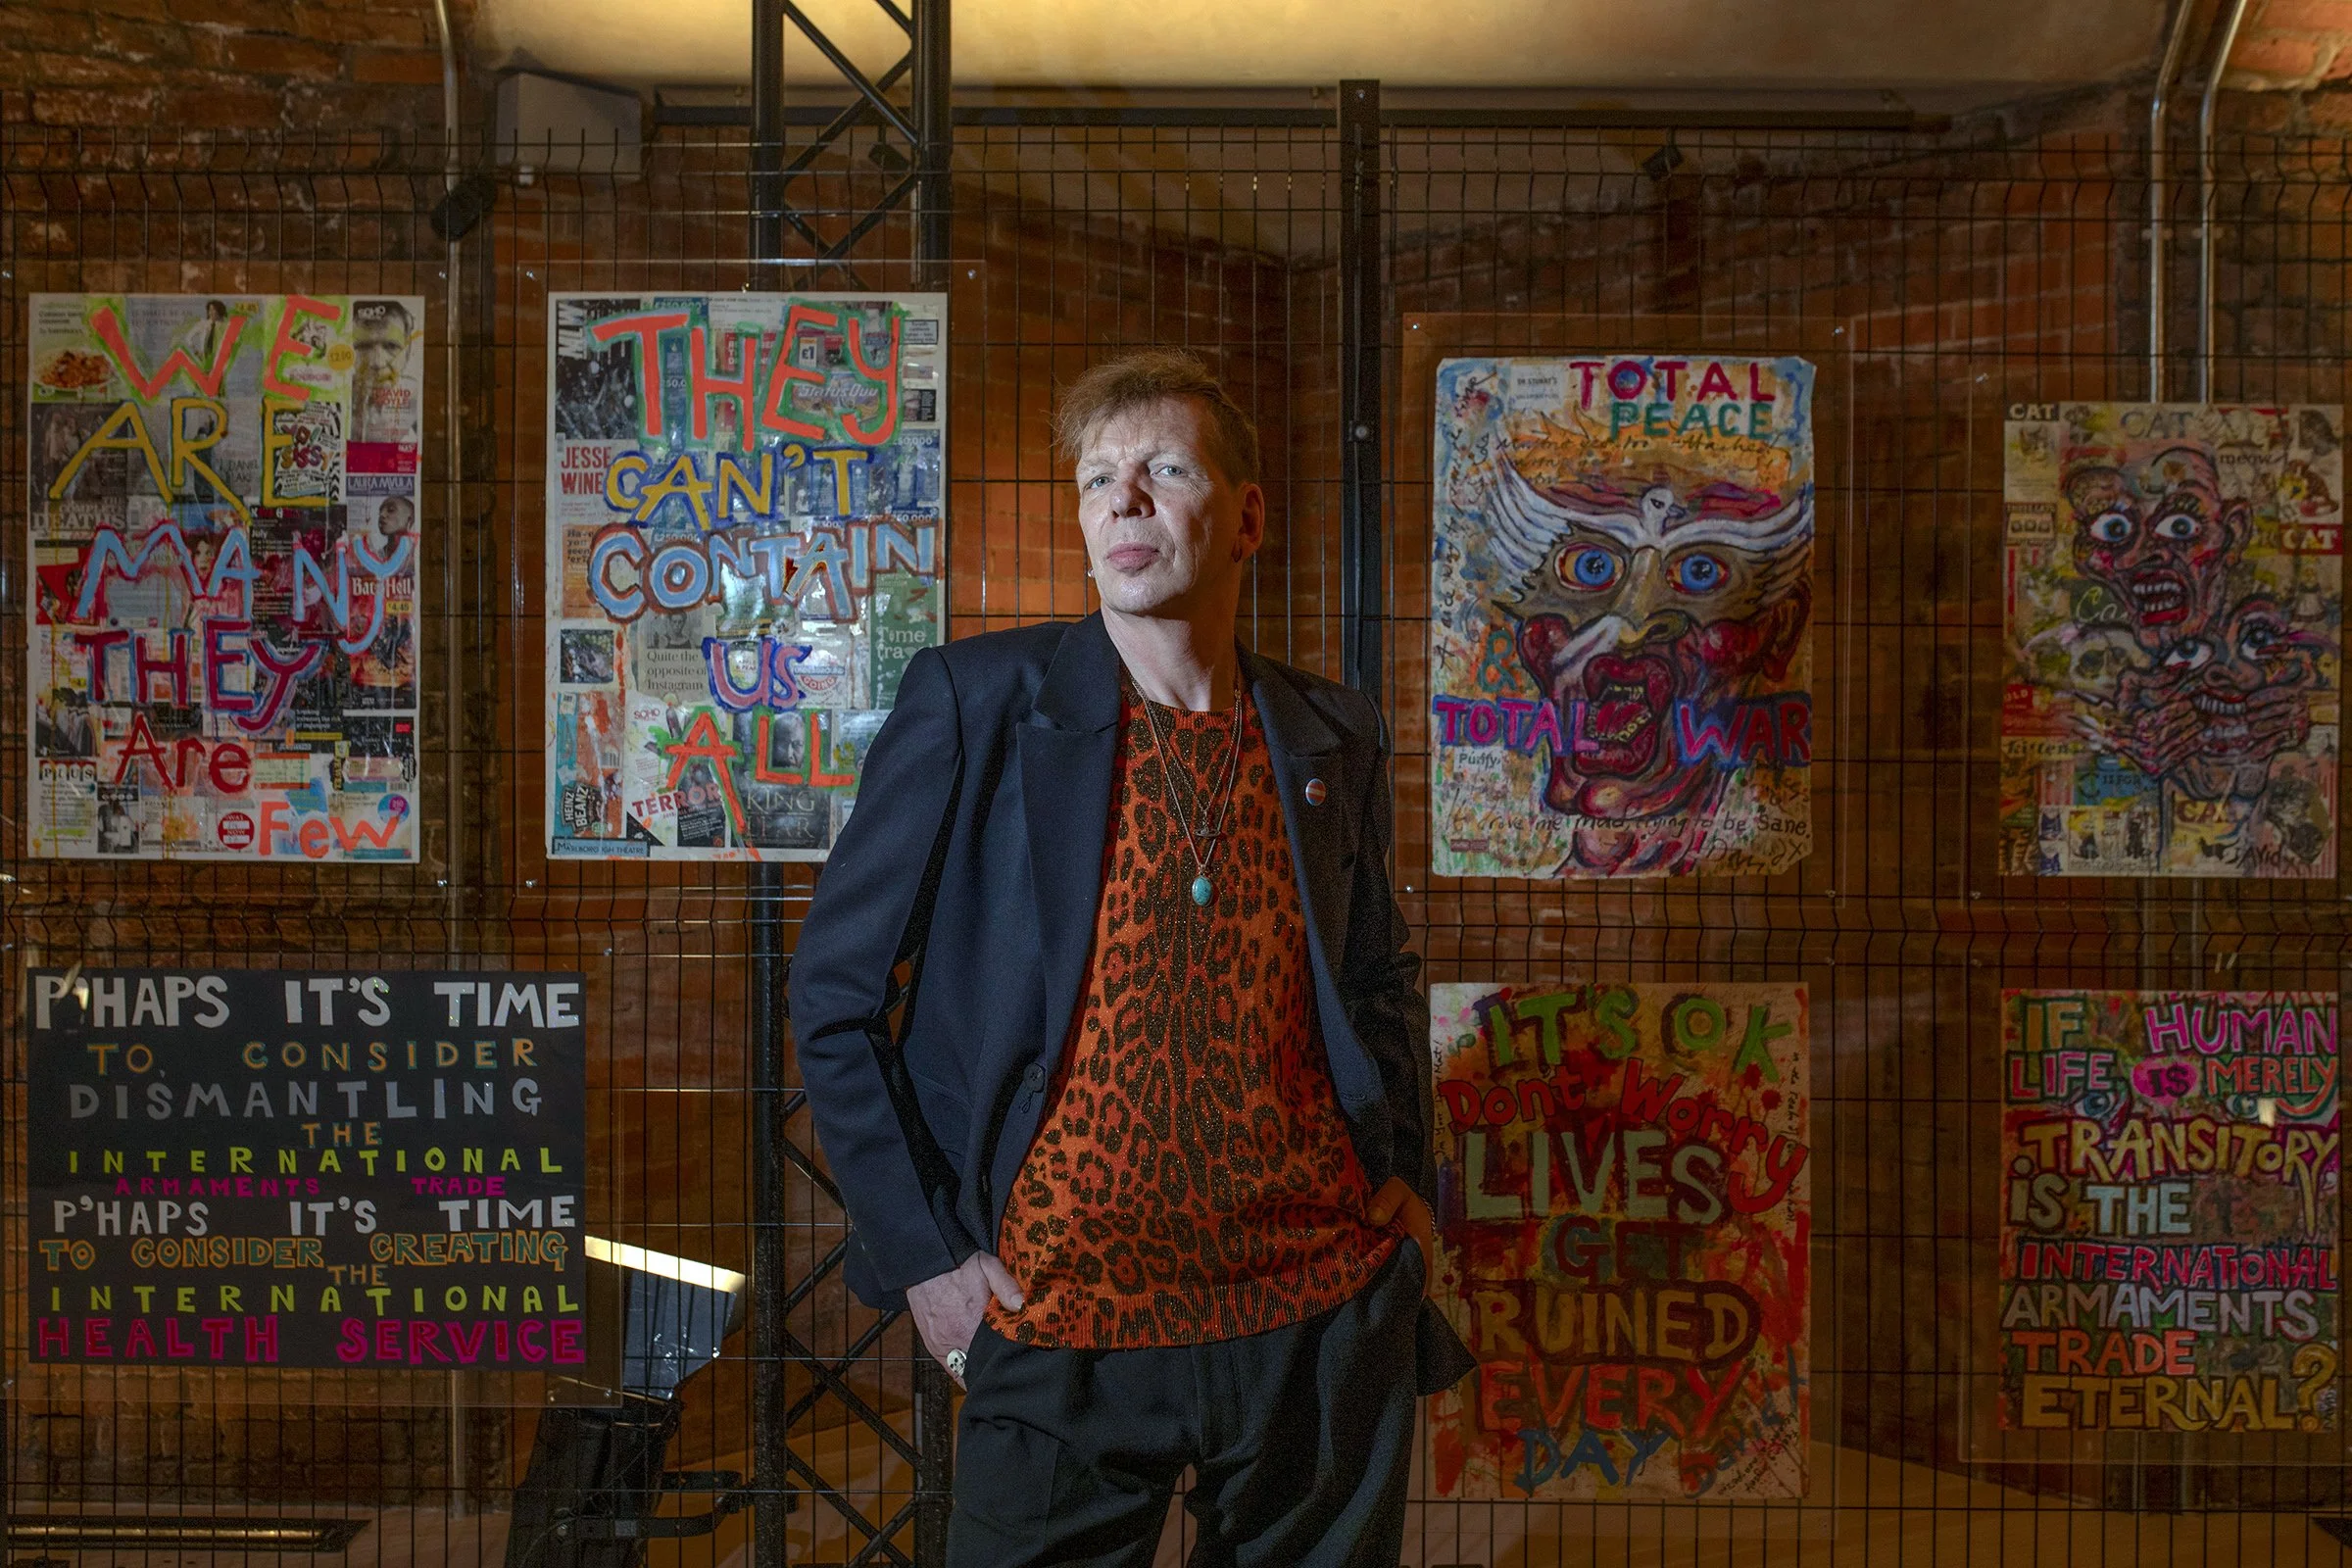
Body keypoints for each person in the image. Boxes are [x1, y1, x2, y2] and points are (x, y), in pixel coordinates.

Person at [790, 350, 1472, 1567]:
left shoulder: (1331, 732)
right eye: (1098, 479)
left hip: (1315, 1308)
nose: (1125, 500)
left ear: (1246, 516)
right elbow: (833, 998)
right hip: (1062, 1316)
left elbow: (1377, 979)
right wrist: (926, 1257)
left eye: (1164, 469)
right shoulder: (977, 703)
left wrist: (1405, 1188)